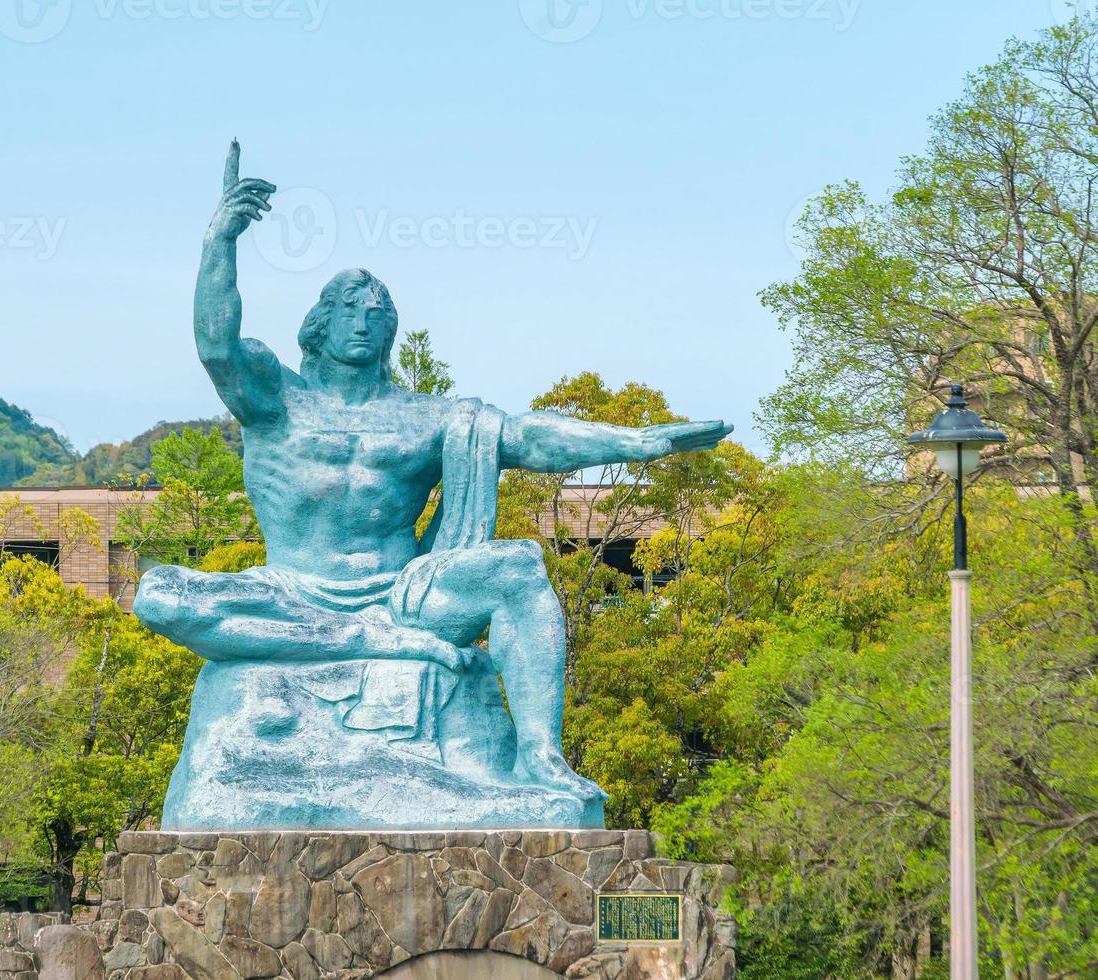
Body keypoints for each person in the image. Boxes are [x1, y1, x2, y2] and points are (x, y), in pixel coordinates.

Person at [135, 142, 732, 804]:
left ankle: (538, 758)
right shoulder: (275, 398)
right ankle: (359, 640)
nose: (365, 323)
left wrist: (634, 441)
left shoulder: (427, 420)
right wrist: (220, 241)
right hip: (290, 593)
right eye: (350, 310)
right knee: (159, 597)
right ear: (320, 321)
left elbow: (525, 436)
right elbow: (215, 344)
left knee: (517, 570)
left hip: (402, 597)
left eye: (378, 314)